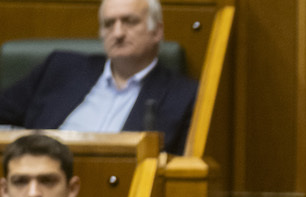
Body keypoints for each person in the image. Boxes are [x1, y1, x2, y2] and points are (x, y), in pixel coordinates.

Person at [0, 0, 197, 155]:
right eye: (109, 24)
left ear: (157, 31)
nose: (118, 33)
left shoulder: (184, 96)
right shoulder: (60, 68)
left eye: (130, 21)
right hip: (36, 185)